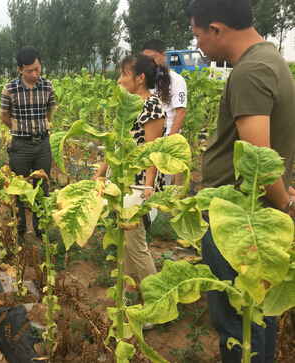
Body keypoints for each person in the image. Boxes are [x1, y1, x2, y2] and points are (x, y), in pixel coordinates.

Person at [186, 0, 295, 361]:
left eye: (198, 35)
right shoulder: (271, 60)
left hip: (239, 221)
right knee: (260, 312)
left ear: (217, 29)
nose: (197, 44)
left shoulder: (251, 70)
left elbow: (257, 162)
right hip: (253, 216)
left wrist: (285, 203)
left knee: (238, 324)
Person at [92, 54, 172, 327]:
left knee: (137, 245)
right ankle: (128, 290)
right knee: (124, 239)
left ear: (139, 78)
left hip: (139, 185)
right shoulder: (128, 104)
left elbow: (152, 152)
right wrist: (100, 174)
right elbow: (116, 146)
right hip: (123, 182)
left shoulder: (153, 107)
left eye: (124, 74)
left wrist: (149, 186)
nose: (119, 79)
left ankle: (155, 306)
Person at [0, 46, 57, 245]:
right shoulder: (10, 89)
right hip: (20, 146)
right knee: (20, 190)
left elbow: (49, 112)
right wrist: (22, 131)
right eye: (29, 71)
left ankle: (41, 229)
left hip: (43, 144)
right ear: (19, 69)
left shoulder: (47, 86)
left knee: (42, 189)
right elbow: (5, 117)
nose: (34, 74)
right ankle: (21, 232)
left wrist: (39, 129)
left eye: (37, 69)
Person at [142, 38, 187, 187]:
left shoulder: (176, 80)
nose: (150, 63)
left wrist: (169, 142)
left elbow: (180, 113)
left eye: (153, 58)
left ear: (163, 55)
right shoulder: (147, 80)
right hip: (149, 140)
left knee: (163, 183)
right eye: (146, 59)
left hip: (166, 138)